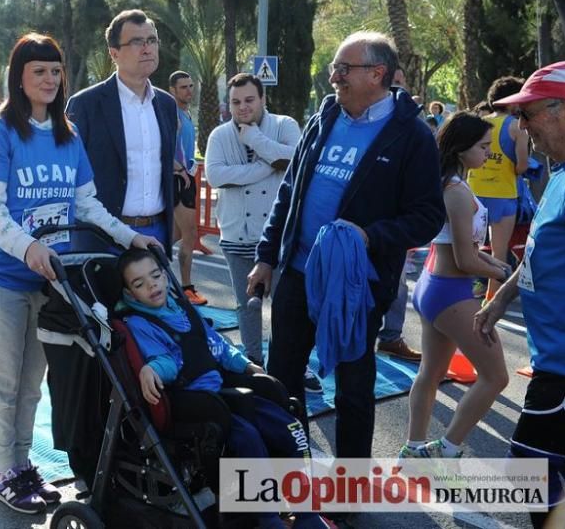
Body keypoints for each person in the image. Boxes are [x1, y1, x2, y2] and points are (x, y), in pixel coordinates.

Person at [0, 33, 157, 514]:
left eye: (56, 71)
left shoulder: (68, 136)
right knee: (6, 381)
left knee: (33, 382)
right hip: (3, 277)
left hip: (52, 281)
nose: (50, 80)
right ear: (20, 77)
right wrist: (27, 246)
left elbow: (86, 204)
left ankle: (22, 463)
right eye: (40, 71)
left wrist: (128, 238)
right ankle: (3, 470)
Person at [247, 31, 445, 464]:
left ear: (378, 74)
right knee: (281, 378)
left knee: (354, 389)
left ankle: (348, 491)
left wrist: (370, 236)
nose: (333, 76)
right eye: (335, 67)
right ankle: (288, 473)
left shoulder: (410, 135)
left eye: (343, 68)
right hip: (297, 274)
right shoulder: (325, 117)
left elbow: (428, 217)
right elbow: (290, 192)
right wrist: (266, 256)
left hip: (357, 284)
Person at [118, 248, 331, 529]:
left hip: (220, 390)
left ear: (165, 277)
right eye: (140, 284)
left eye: (155, 276)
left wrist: (246, 365)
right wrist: (152, 368)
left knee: (288, 425)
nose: (152, 285)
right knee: (249, 439)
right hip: (192, 399)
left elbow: (217, 346)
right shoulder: (139, 323)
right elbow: (164, 359)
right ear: (131, 295)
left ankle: (306, 512)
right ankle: (267, 518)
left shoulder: (182, 307)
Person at [475, 61, 565, 528]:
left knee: (532, 474)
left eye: (528, 114)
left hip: (564, 373)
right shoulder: (560, 175)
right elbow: (538, 253)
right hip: (552, 361)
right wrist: (502, 298)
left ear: (563, 110)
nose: (522, 126)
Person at [402, 112, 511, 459]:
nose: (489, 153)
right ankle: (447, 448)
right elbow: (466, 259)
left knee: (430, 373)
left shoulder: (450, 183)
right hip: (450, 292)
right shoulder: (457, 192)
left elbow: (463, 252)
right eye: (483, 146)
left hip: (436, 287)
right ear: (462, 148)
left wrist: (495, 264)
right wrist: (506, 272)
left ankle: (414, 449)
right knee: (496, 377)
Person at [203, 73, 301, 368]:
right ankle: (253, 361)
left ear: (262, 99)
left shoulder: (285, 126)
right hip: (236, 236)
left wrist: (256, 140)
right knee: (247, 305)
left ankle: (292, 363)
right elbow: (217, 176)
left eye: (249, 100)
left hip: (279, 236)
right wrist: (266, 166)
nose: (242, 107)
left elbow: (297, 161)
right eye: (235, 102)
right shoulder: (219, 135)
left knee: (286, 306)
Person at [66, 9, 184, 249]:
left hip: (157, 232)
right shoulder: (86, 104)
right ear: (114, 53)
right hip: (102, 236)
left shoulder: (166, 105)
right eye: (137, 42)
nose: (147, 48)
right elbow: (71, 177)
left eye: (152, 40)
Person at [466, 76, 530, 300]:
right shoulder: (515, 126)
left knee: (468, 247)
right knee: (498, 250)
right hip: (503, 194)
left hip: (473, 191)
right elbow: (522, 166)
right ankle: (492, 297)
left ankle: (465, 291)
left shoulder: (478, 123)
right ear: (513, 101)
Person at [376, 66, 423, 362]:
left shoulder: (412, 128)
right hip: (358, 229)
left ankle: (391, 336)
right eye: (394, 83)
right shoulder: (350, 122)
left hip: (393, 229)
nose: (399, 90)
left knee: (397, 284)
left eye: (402, 84)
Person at [169, 70, 206, 305]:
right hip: (178, 179)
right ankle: (186, 288)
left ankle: (147, 259)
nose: (189, 91)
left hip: (185, 177)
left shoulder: (186, 113)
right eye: (183, 87)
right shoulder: (173, 114)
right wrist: (180, 170)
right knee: (190, 234)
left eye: (191, 86)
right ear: (172, 90)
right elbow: (163, 147)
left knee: (177, 234)